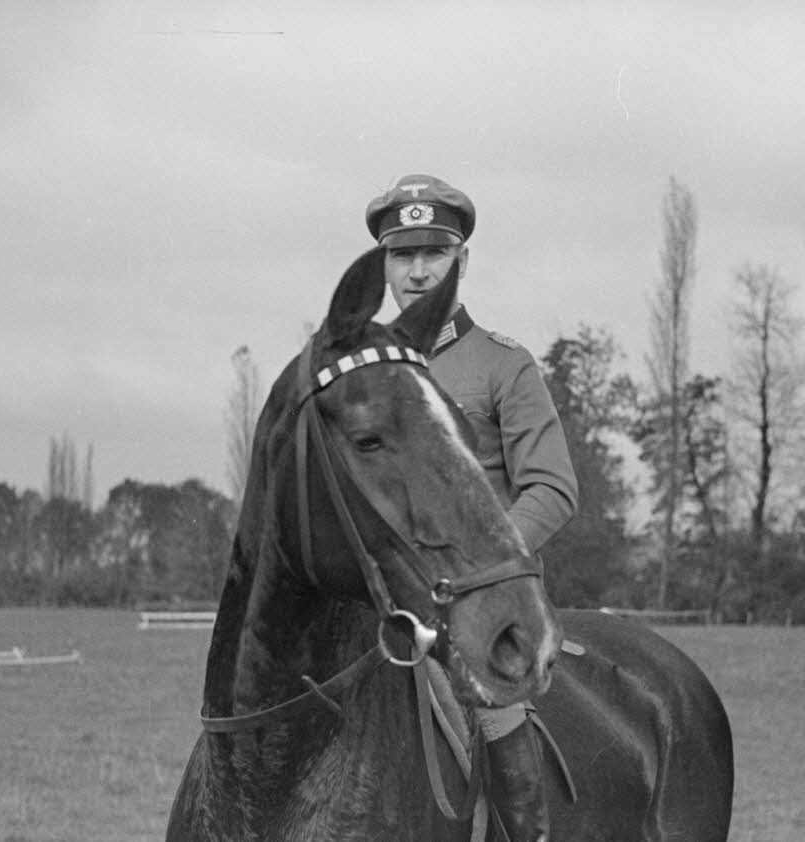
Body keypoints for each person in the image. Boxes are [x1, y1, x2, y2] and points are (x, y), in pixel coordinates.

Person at [365, 174, 578, 841]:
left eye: (435, 253)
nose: (418, 272)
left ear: (463, 261)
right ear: (384, 266)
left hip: (471, 605)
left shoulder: (502, 365)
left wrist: (477, 569)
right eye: (403, 255)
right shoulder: (360, 369)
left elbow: (552, 487)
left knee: (494, 703)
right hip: (376, 599)